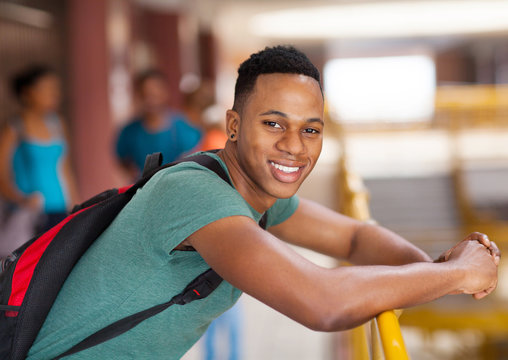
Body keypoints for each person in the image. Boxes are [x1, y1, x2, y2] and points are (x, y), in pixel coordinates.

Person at [27, 46, 499, 359]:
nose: (295, 146)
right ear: (233, 126)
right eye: (273, 123)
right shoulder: (196, 192)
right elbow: (321, 302)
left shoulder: (253, 190)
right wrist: (455, 274)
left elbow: (354, 236)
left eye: (310, 129)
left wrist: (435, 272)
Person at [0, 65, 79, 239]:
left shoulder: (58, 125)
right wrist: (20, 200)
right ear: (28, 92)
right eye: (47, 89)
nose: (55, 95)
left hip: (60, 209)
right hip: (29, 216)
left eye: (56, 89)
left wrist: (76, 207)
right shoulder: (13, 128)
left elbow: (66, 170)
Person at [115, 69, 202, 179]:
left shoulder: (184, 129)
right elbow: (122, 160)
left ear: (165, 93)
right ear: (138, 95)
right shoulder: (129, 132)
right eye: (145, 95)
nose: (150, 101)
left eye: (154, 95)